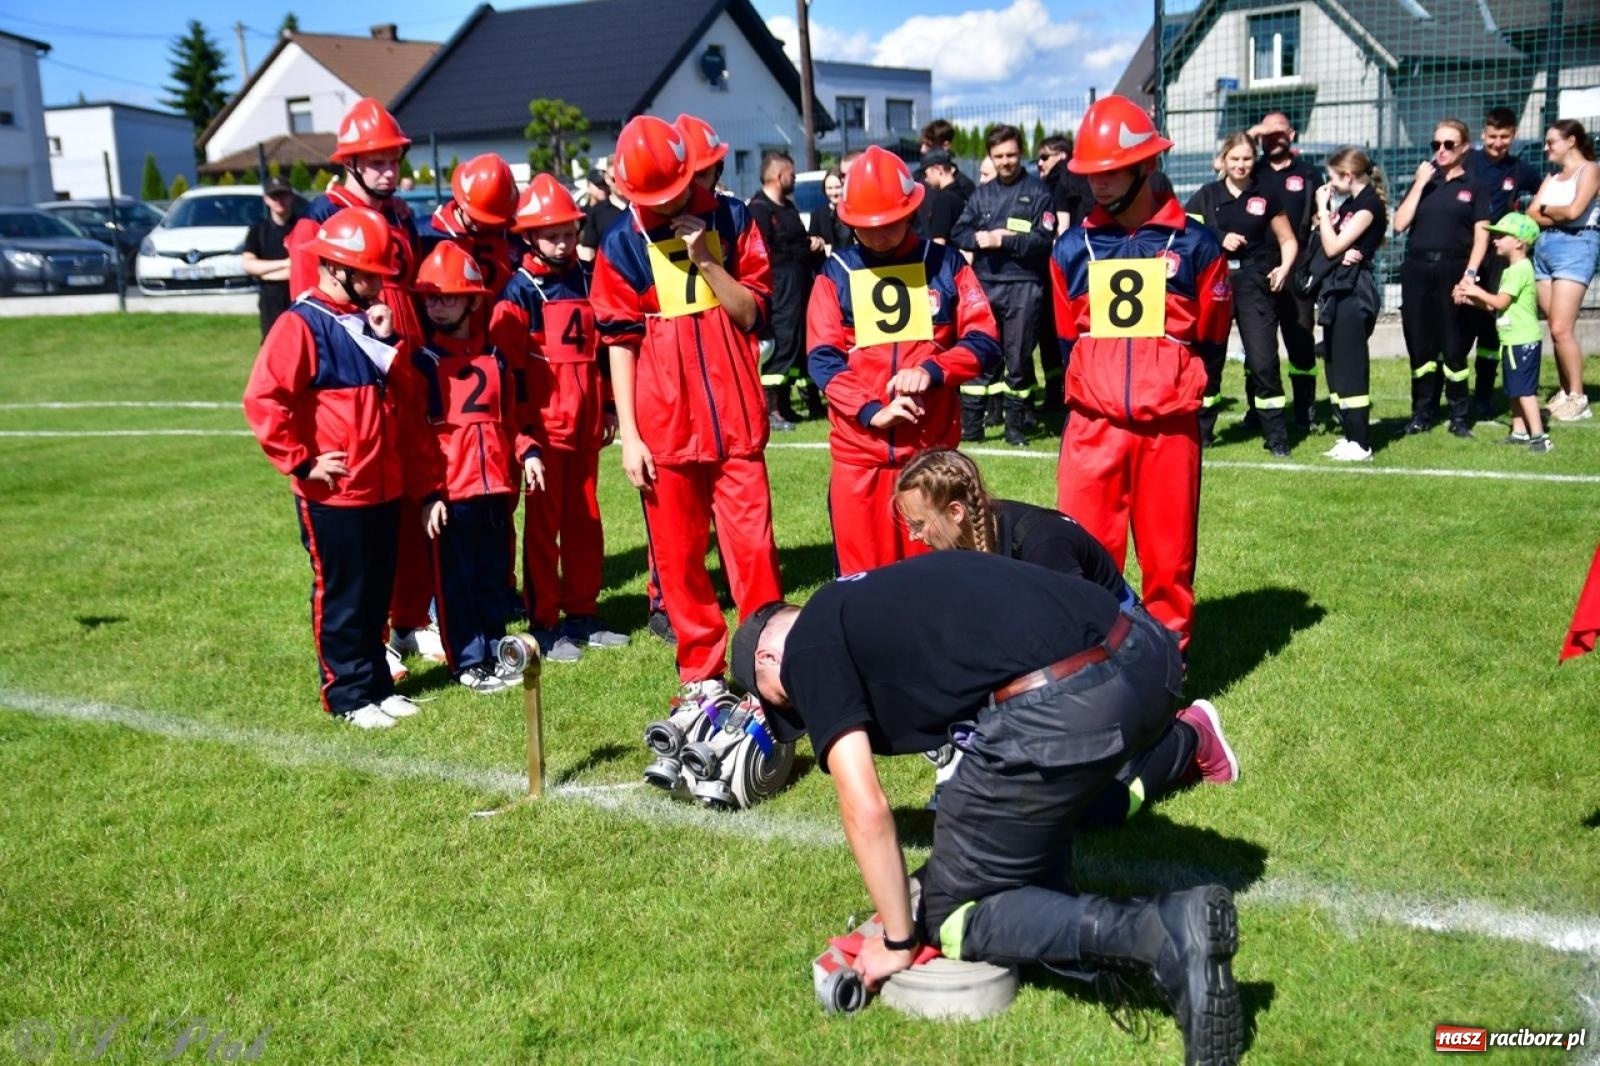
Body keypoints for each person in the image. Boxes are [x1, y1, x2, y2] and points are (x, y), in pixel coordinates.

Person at [729, 552, 1243, 1065]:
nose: (795, 707)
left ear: (769, 657)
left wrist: (899, 940)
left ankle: (1162, 931)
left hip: (1073, 700)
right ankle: (1051, 898)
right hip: (1149, 658)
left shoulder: (806, 647)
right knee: (1006, 836)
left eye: (782, 700)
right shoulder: (873, 596)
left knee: (952, 914)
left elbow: (865, 806)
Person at [891, 447, 1241, 816]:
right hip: (1087, 665)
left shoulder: (1042, 542)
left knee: (1095, 807)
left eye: (919, 524)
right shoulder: (963, 547)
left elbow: (1072, 648)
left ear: (955, 512)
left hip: (1135, 664)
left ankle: (1192, 735)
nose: (915, 537)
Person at [590, 115, 782, 712]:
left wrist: (708, 261)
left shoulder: (734, 218)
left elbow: (752, 313)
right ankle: (701, 673)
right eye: (653, 196)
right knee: (678, 561)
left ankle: (767, 665)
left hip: (735, 419)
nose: (668, 202)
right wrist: (630, 435)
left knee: (754, 553)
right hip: (664, 430)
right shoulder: (621, 243)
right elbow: (619, 343)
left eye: (675, 188)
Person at [1051, 95, 1232, 653]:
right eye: (1091, 173)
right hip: (1092, 428)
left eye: (1112, 170)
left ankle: (1168, 670)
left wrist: (1174, 385)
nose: (1098, 183)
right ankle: (1089, 668)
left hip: (1168, 430)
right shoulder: (1070, 249)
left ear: (1146, 165)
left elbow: (1212, 338)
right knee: (1081, 560)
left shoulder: (1198, 245)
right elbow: (1066, 339)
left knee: (1168, 564)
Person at [243, 206, 425, 729]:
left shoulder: (366, 322)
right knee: (344, 595)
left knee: (375, 593)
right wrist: (301, 461)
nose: (379, 285)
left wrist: (388, 343)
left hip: (381, 486)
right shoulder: (300, 325)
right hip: (336, 495)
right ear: (338, 269)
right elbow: (263, 398)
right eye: (369, 275)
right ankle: (347, 694)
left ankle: (377, 684)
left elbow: (407, 395)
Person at [285, 96, 441, 679]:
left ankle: (410, 621)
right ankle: (370, 644)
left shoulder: (400, 214)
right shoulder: (319, 218)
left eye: (393, 159)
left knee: (410, 504)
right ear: (349, 162)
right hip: (353, 390)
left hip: (402, 373)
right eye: (375, 160)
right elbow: (312, 313)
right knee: (364, 523)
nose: (388, 170)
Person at [806, 146, 999, 575]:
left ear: (910, 213)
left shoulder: (946, 264)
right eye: (867, 228)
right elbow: (822, 359)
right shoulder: (835, 273)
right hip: (860, 458)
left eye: (889, 225)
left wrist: (932, 371)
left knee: (936, 584)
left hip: (931, 460)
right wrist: (871, 411)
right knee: (863, 586)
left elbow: (984, 341)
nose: (878, 236)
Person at [492, 174, 630, 663]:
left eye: (569, 233)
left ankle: (583, 612)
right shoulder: (518, 292)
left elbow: (603, 351)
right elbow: (510, 377)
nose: (563, 242)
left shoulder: (587, 279)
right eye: (552, 235)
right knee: (542, 532)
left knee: (585, 525)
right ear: (530, 236)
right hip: (546, 436)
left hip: (586, 430)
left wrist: (608, 404)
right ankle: (545, 622)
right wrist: (525, 439)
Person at [410, 241, 543, 693]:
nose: (438, 306)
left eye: (448, 298)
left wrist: (528, 452)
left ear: (472, 301)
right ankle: (466, 659)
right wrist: (430, 493)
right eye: (431, 299)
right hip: (452, 495)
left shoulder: (497, 358)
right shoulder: (423, 363)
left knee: (492, 577)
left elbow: (511, 419)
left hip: (497, 490)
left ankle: (494, 649)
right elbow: (418, 437)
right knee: (457, 583)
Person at [1185, 132, 1299, 455]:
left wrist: (1284, 268)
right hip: (1214, 283)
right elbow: (1184, 231)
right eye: (1234, 158)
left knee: (1263, 361)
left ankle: (1276, 437)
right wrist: (1218, 236)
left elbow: (1288, 240)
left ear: (1254, 159)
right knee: (1209, 362)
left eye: (1247, 158)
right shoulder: (1206, 195)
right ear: (1223, 160)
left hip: (1254, 282)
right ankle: (1200, 436)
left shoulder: (1266, 194)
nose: (1240, 164)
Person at [954, 125, 1056, 446]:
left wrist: (1004, 240)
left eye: (1011, 154)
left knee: (1019, 359)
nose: (1005, 161)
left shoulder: (1039, 192)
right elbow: (959, 232)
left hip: (1024, 286)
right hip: (986, 285)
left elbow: (1044, 239)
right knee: (979, 356)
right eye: (998, 156)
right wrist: (979, 239)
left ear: (1020, 153)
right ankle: (972, 428)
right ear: (990, 156)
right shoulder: (981, 194)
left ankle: (1015, 429)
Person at [1393, 118, 1490, 438]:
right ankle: (1422, 412)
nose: (1442, 150)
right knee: (1420, 345)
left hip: (1453, 268)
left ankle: (1459, 415)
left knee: (1453, 344)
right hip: (1418, 269)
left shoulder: (1474, 187)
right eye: (1436, 145)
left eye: (1449, 144)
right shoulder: (1425, 183)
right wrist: (1420, 183)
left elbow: (1482, 236)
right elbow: (1399, 224)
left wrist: (1470, 275)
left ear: (1465, 148)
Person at [1464, 108, 1545, 418]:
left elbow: (1543, 192)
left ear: (1514, 135)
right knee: (1459, 323)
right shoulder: (1468, 162)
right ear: (1483, 134)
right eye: (1492, 136)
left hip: (1498, 254)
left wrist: (1528, 218)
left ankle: (1483, 397)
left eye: (1505, 137)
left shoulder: (1519, 169)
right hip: (1465, 250)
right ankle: (1452, 399)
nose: (1498, 143)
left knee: (1491, 327)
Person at [1310, 148, 1388, 462]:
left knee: (1351, 365)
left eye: (1332, 176)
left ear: (1348, 175)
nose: (1329, 183)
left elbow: (1332, 247)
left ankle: (1361, 442)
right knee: (1335, 363)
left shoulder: (1368, 206)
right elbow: (1332, 246)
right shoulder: (1352, 204)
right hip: (1337, 288)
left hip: (1355, 290)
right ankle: (1349, 434)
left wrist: (1322, 210)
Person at [1246, 112, 1322, 430]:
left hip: (1297, 263)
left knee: (1300, 339)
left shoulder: (1308, 172)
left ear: (1292, 134)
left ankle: (1305, 411)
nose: (1274, 139)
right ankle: (1256, 410)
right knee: (1258, 344)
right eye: (1268, 135)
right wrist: (1256, 130)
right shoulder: (1252, 170)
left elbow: (1322, 215)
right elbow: (1222, 163)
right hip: (1257, 264)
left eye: (1280, 133)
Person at [1453, 213, 1552, 452]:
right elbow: (1492, 306)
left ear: (1518, 242)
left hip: (1522, 341)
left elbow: (1499, 302)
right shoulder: (1511, 270)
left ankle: (1539, 437)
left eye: (1501, 236)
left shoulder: (1520, 270)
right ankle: (1519, 432)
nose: (1495, 240)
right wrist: (1469, 298)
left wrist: (1475, 290)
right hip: (1512, 339)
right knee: (1515, 388)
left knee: (1524, 391)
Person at [1526, 119, 1600, 423]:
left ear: (1571, 141)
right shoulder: (1553, 177)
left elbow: (1574, 211)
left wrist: (1546, 211)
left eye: (1551, 141)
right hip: (1545, 247)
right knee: (1554, 326)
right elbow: (1531, 212)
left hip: (1576, 246)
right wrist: (1552, 213)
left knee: (1560, 327)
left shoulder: (1590, 170)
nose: (1546, 148)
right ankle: (1565, 390)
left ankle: (1578, 398)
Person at [748, 149, 824, 430]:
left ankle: (786, 404)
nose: (795, 178)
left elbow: (797, 240)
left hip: (800, 283)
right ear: (779, 176)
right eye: (792, 173)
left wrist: (811, 243)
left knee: (798, 343)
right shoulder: (759, 209)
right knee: (783, 341)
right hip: (780, 286)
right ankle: (771, 410)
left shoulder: (788, 208)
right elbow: (760, 252)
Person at [428, 153, 521, 296]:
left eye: (490, 221)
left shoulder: (514, 237)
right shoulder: (427, 235)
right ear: (459, 202)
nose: (482, 224)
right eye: (475, 216)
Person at [242, 176, 303, 339]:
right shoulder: (258, 231)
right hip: (270, 301)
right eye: (274, 196)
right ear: (266, 199)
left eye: (283, 195)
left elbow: (307, 267)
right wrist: (286, 263)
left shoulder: (303, 227)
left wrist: (265, 272)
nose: (279, 200)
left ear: (291, 197)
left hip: (299, 298)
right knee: (273, 345)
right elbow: (248, 265)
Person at [579, 160, 627, 265]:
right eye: (615, 179)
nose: (619, 183)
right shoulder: (595, 212)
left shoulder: (640, 207)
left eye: (623, 179)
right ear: (607, 179)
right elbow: (588, 252)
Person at [915, 149, 965, 245]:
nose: (926, 179)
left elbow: (939, 243)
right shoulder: (961, 192)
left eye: (926, 174)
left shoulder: (943, 200)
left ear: (938, 169)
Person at [919, 119, 976, 204]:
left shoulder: (965, 186)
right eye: (921, 144)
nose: (922, 150)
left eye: (928, 145)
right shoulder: (917, 179)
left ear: (945, 145)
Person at [809, 167, 854, 257]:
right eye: (829, 188)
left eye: (838, 187)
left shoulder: (852, 212)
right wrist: (822, 246)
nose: (834, 193)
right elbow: (812, 243)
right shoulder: (817, 215)